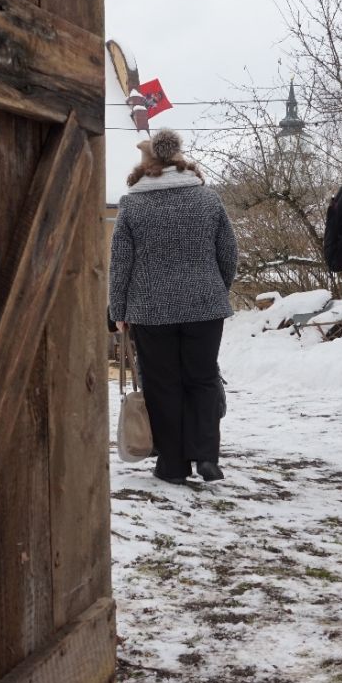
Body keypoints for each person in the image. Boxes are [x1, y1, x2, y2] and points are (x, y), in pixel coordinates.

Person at [109, 128, 238, 484]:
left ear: (145, 167)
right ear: (180, 162)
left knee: (162, 383)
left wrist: (117, 310)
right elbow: (229, 253)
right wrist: (215, 288)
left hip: (150, 309)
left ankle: (173, 464)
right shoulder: (208, 199)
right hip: (205, 305)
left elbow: (120, 263)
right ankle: (206, 456)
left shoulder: (132, 204)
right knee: (203, 377)